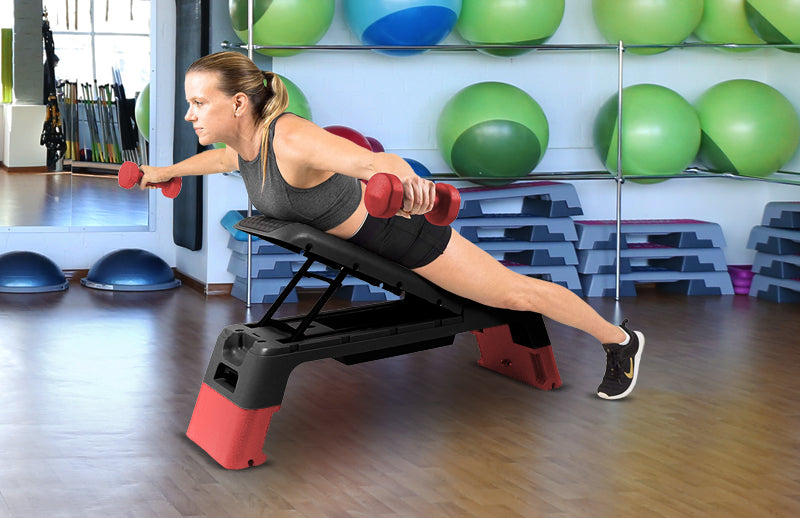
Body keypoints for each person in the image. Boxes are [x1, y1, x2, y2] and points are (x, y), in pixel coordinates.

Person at [139, 51, 644, 400]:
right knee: (504, 295)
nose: (190, 115)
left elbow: (373, 162)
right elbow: (223, 161)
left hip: (407, 238)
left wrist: (411, 183)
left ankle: (620, 341)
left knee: (514, 294)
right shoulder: (247, 145)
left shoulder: (290, 138)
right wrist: (164, 172)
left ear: (239, 103)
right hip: (376, 247)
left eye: (199, 103)